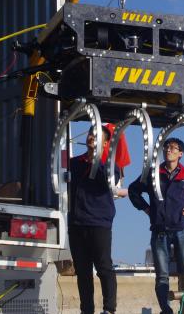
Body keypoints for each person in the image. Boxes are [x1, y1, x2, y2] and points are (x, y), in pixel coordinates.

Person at [128, 137, 184, 314]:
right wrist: (146, 208)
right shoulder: (153, 173)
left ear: (181, 153)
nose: (168, 150)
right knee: (162, 276)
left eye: (173, 148)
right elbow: (133, 190)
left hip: (182, 230)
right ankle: (166, 310)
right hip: (160, 231)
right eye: (166, 147)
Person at [68, 125, 129, 314]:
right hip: (76, 223)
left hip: (99, 223)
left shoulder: (111, 166)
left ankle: (109, 309)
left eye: (96, 136)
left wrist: (97, 157)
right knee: (83, 272)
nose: (91, 137)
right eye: (89, 134)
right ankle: (86, 310)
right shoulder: (74, 163)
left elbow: (107, 181)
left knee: (104, 267)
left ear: (104, 143)